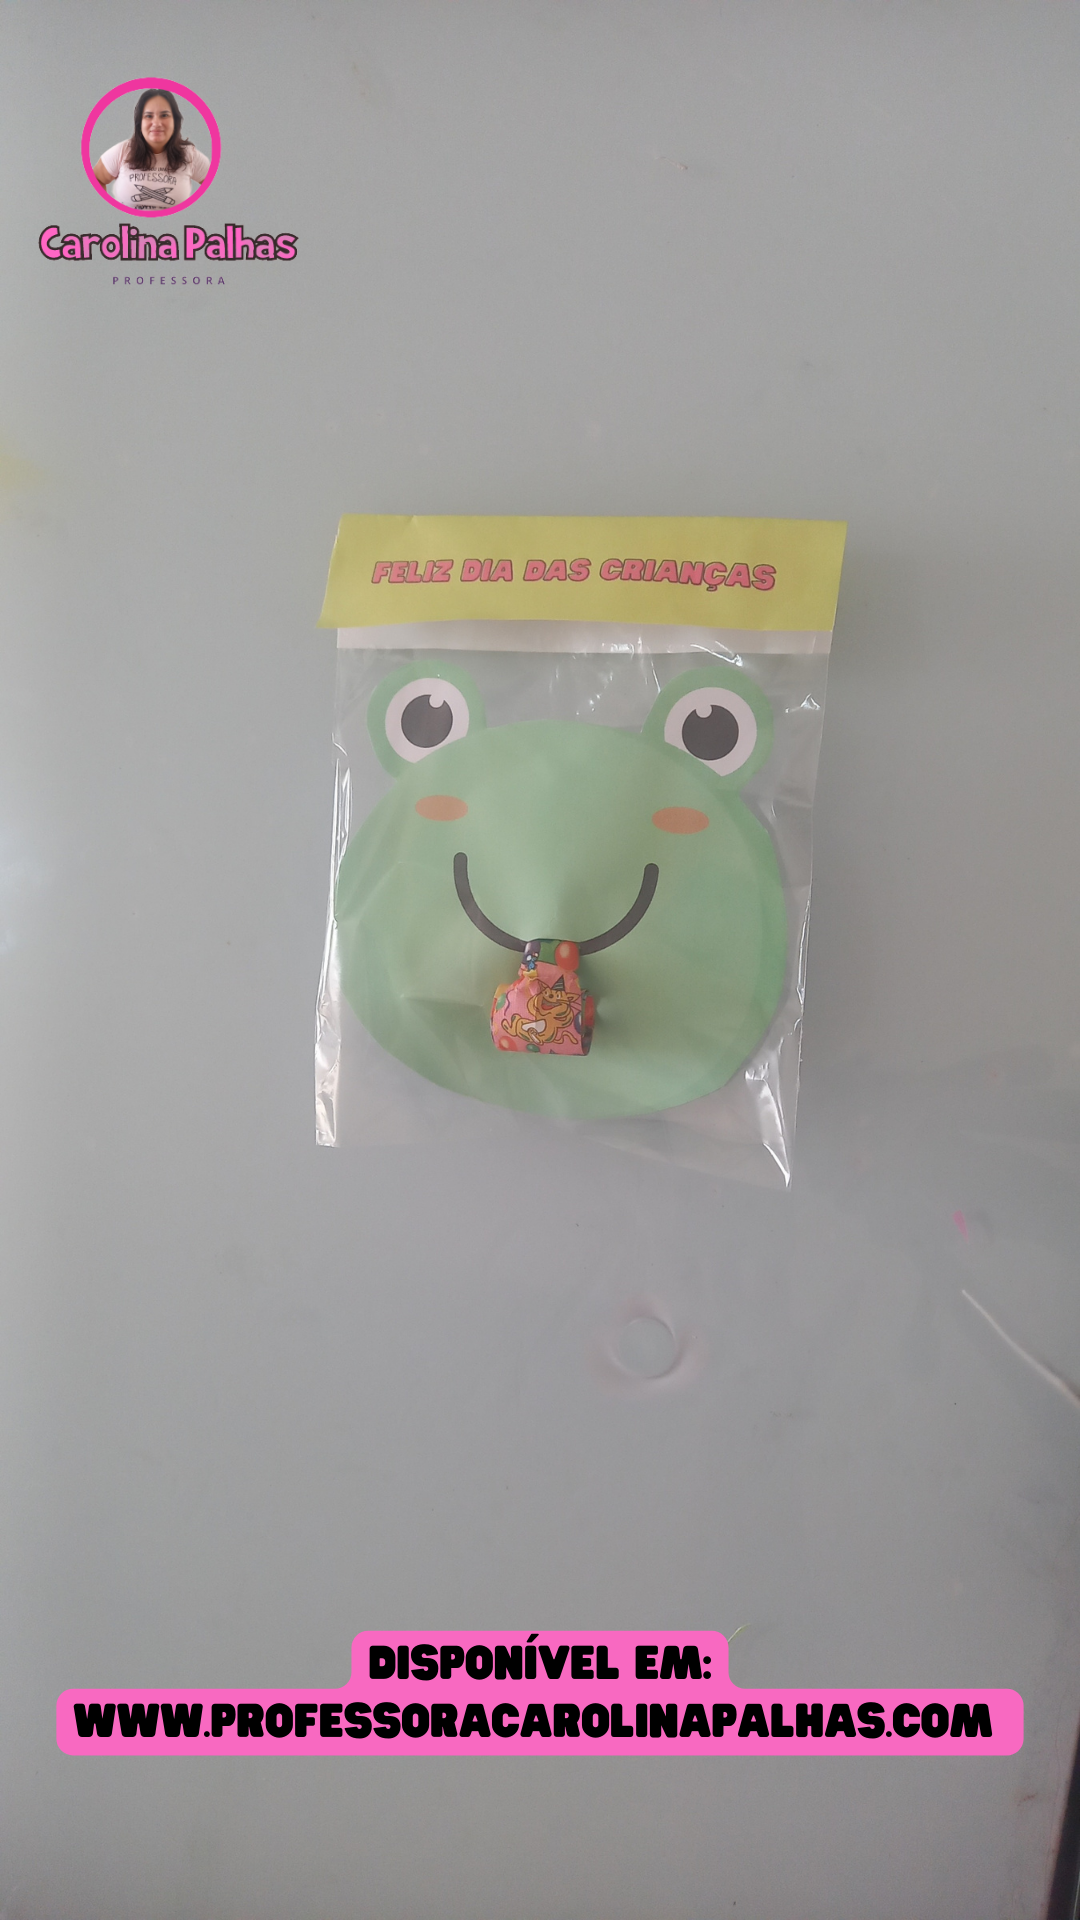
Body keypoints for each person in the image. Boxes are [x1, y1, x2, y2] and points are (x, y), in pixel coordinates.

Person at [93, 89, 210, 211]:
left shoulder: (190, 155)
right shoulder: (122, 151)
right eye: (148, 116)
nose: (156, 123)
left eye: (164, 115)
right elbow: (95, 179)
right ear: (140, 122)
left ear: (175, 121)